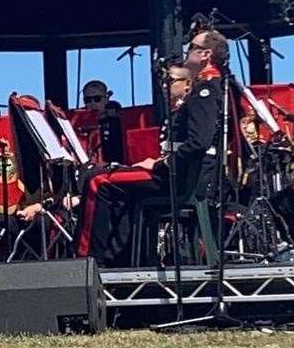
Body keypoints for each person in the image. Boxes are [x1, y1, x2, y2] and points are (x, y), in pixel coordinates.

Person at [76, 31, 228, 267]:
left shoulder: (205, 91)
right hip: (180, 173)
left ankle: (85, 259)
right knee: (106, 178)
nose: (187, 51)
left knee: (99, 182)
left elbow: (198, 143)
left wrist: (159, 164)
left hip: (183, 178)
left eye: (192, 47)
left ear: (206, 54)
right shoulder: (206, 88)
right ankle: (116, 257)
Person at [79, 80, 124, 164]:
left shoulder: (117, 122)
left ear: (106, 99)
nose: (92, 103)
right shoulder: (81, 125)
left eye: (97, 99)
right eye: (87, 100)